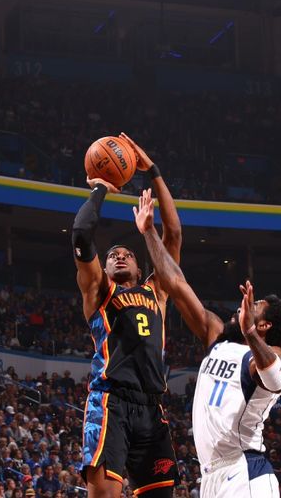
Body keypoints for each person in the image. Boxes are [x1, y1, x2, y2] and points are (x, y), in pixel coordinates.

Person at [133, 189, 281, 498]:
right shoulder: (217, 336)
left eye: (255, 306)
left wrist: (250, 333)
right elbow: (176, 284)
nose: (243, 306)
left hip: (245, 471)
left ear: (264, 325)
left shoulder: (271, 354)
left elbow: (275, 376)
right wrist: (149, 232)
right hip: (211, 476)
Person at [71, 134, 180, 497]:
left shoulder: (157, 291)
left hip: (151, 407)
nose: (119, 256)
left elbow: (174, 234)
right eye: (112, 255)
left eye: (127, 254)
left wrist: (154, 172)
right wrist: (101, 189)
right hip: (110, 402)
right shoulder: (100, 291)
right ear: (104, 267)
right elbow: (81, 235)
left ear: (139, 266)